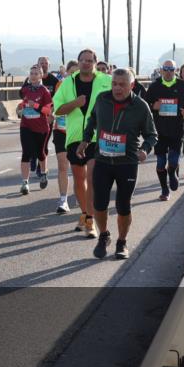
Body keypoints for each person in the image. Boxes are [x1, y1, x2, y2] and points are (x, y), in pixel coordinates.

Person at [78, 68, 157, 259]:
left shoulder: (140, 106)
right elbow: (92, 120)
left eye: (122, 84)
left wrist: (145, 149)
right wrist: (86, 139)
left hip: (127, 163)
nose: (117, 88)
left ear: (132, 85)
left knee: (123, 205)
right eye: (114, 84)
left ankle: (122, 242)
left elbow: (152, 135)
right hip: (103, 161)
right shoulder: (102, 99)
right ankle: (104, 236)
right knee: (99, 204)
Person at [53, 49, 112, 236]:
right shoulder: (67, 83)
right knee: (79, 179)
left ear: (95, 62)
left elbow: (121, 100)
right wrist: (75, 103)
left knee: (92, 177)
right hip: (75, 137)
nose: (86, 63)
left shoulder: (106, 81)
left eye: (89, 60)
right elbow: (57, 109)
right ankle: (86, 214)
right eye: (82, 60)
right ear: (78, 62)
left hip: (97, 136)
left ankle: (90, 220)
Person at [144, 60, 184, 201]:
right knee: (160, 163)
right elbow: (145, 104)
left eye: (171, 69)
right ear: (161, 70)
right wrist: (153, 106)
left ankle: (172, 172)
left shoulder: (183, 85)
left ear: (175, 70)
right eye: (165, 69)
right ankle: (164, 190)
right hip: (159, 130)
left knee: (172, 161)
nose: (168, 72)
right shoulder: (155, 86)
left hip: (177, 129)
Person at [23, 56, 61, 184]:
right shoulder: (29, 81)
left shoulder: (54, 81)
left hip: (46, 117)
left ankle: (41, 169)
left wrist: (52, 114)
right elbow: (22, 95)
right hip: (30, 119)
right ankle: (33, 158)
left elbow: (57, 99)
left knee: (42, 145)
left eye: (46, 63)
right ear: (38, 64)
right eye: (41, 63)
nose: (44, 65)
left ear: (48, 66)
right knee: (30, 144)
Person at [17, 65, 53, 195]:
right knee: (26, 153)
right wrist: (21, 108)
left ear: (41, 75)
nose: (33, 76)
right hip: (26, 125)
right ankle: (25, 183)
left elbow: (48, 111)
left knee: (40, 153)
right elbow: (23, 102)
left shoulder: (45, 91)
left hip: (41, 127)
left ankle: (43, 173)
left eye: (36, 73)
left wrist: (36, 105)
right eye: (31, 73)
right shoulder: (25, 89)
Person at [53, 60, 79, 214]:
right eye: (71, 72)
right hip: (61, 130)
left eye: (77, 72)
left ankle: (81, 193)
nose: (74, 75)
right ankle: (63, 200)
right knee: (63, 165)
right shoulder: (61, 85)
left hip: (78, 132)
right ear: (66, 73)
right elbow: (55, 105)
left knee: (78, 168)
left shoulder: (86, 87)